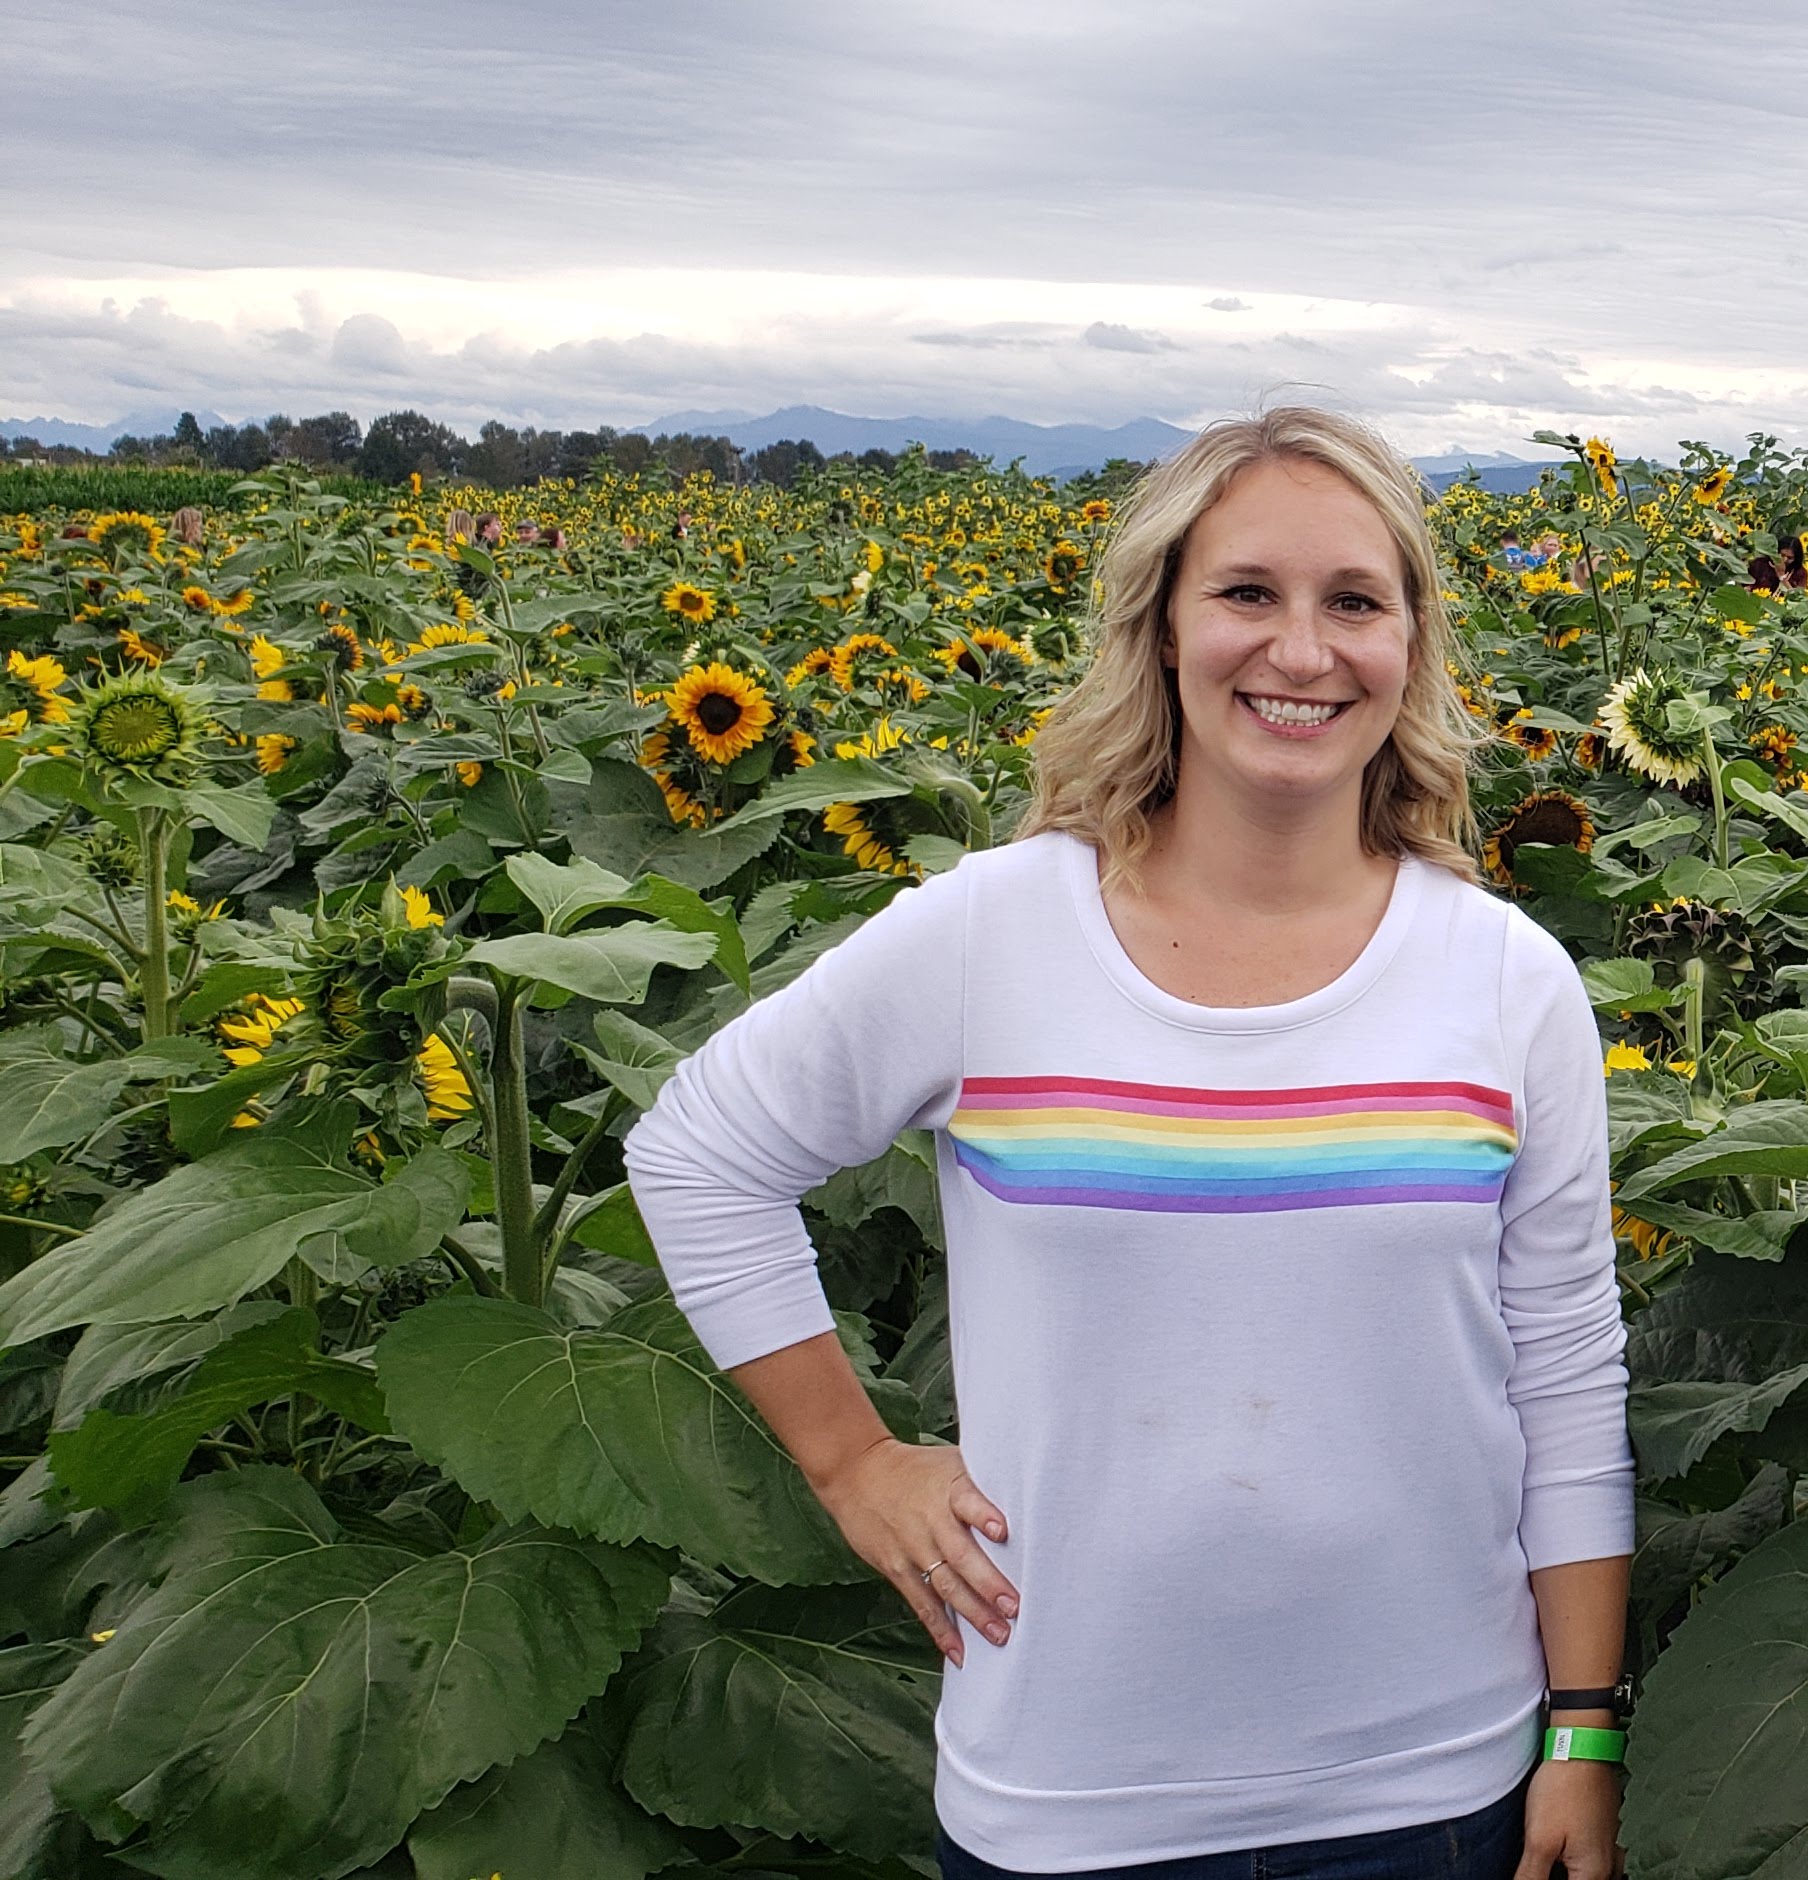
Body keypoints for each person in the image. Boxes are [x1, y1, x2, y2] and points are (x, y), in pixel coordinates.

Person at [627, 407, 1632, 1880]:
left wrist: (1584, 1730)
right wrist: (851, 1466)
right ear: (1161, 627)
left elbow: (1563, 1372)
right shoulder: (998, 933)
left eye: (1354, 601)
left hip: (1430, 1781)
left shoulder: (1502, 977)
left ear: (1411, 645)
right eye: (1246, 594)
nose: (1300, 650)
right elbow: (702, 1152)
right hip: (1070, 1784)